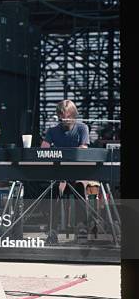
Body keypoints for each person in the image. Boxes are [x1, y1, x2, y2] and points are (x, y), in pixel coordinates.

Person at [41, 99, 90, 244]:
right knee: (55, 190)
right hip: (60, 173)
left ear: (74, 114)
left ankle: (82, 228)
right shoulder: (52, 131)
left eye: (67, 115)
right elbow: (43, 149)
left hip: (78, 172)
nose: (64, 119)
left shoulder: (82, 128)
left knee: (79, 186)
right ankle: (52, 231)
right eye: (61, 116)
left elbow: (84, 150)